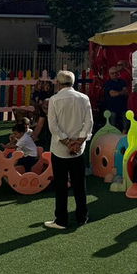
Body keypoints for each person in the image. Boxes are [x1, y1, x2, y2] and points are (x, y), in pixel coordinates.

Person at [44, 71, 93, 230]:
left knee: (60, 185)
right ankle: (82, 216)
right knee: (80, 184)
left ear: (58, 83)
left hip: (60, 148)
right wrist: (78, 142)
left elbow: (53, 126)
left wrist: (67, 141)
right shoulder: (83, 98)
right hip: (78, 149)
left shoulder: (54, 100)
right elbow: (89, 123)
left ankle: (61, 219)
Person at [31, 80, 54, 151]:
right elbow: (40, 124)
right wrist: (33, 137)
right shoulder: (41, 95)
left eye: (48, 86)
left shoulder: (51, 97)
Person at [104, 67, 128, 131]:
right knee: (112, 124)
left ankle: (124, 133)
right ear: (109, 74)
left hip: (123, 106)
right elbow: (112, 94)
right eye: (112, 73)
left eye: (116, 73)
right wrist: (121, 92)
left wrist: (117, 93)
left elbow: (126, 92)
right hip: (112, 107)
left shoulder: (122, 81)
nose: (114, 74)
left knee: (125, 122)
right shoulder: (108, 83)